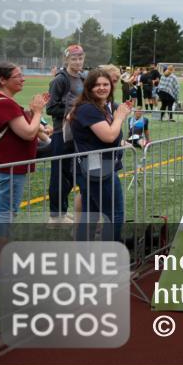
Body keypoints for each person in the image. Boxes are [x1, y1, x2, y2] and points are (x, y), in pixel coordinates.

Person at [0, 63, 50, 282]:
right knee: (3, 215)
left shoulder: (0, 101)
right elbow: (26, 133)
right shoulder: (4, 103)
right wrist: (36, 112)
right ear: (3, 80)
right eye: (18, 76)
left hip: (2, 166)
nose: (23, 79)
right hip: (8, 167)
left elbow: (22, 129)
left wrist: (34, 119)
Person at [69, 69, 132, 242]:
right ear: (88, 87)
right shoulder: (88, 108)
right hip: (97, 169)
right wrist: (119, 117)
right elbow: (109, 136)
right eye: (97, 85)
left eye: (106, 84)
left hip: (96, 168)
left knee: (90, 216)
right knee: (115, 215)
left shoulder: (99, 107)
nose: (102, 88)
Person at [45, 44, 86, 224]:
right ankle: (55, 215)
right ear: (66, 60)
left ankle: (62, 212)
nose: (77, 61)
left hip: (76, 133)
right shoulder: (60, 80)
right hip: (61, 132)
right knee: (59, 175)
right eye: (74, 58)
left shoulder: (83, 78)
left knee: (70, 175)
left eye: (80, 58)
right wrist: (73, 110)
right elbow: (51, 108)